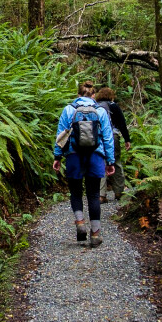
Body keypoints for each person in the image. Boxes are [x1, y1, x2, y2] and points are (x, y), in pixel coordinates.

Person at [52, 80, 116, 246]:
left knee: (75, 192)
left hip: (73, 155)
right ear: (93, 95)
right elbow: (108, 137)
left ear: (78, 95)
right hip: (95, 156)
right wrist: (110, 161)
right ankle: (95, 234)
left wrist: (57, 157)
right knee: (94, 195)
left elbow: (61, 135)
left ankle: (80, 223)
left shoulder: (69, 110)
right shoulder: (100, 111)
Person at [94, 86, 131, 201]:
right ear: (111, 96)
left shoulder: (95, 107)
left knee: (101, 163)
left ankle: (101, 195)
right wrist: (127, 139)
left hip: (97, 137)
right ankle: (119, 192)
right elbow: (122, 124)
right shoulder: (114, 106)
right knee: (116, 161)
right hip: (112, 137)